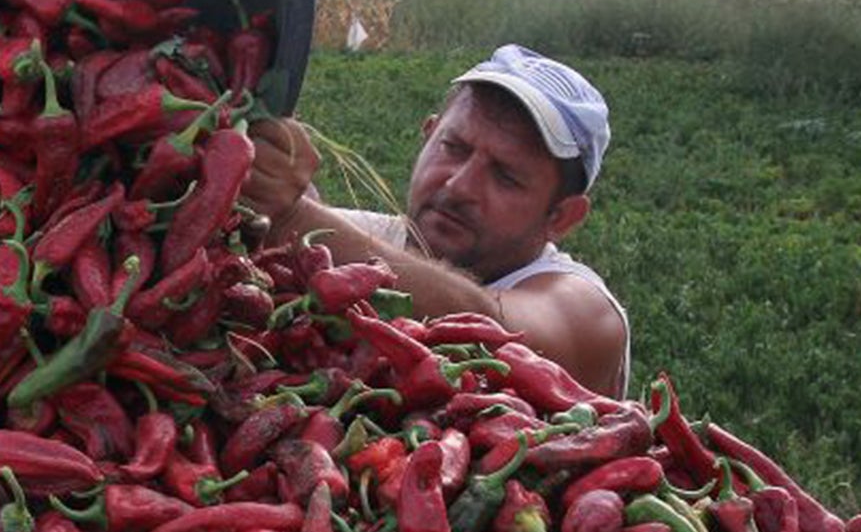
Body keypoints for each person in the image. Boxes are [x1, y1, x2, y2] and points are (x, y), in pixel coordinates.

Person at [246, 44, 630, 396]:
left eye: (506, 176)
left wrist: (292, 215)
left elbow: (485, 324)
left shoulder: (587, 314)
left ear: (562, 217)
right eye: (453, 147)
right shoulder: (373, 236)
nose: (460, 185)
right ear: (427, 135)